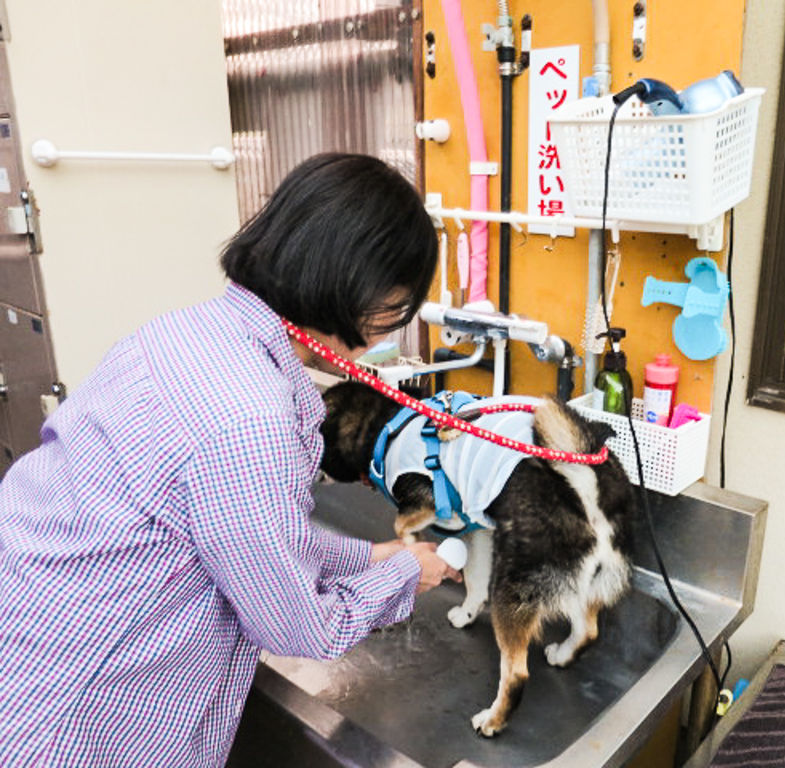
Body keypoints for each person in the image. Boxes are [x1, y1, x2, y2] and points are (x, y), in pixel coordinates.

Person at [0, 153, 459, 766]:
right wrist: (409, 575)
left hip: (30, 643)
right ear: (361, 283)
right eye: (397, 299)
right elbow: (302, 628)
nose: (389, 323)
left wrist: (372, 554)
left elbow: (238, 536)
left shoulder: (184, 332)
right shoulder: (250, 416)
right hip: (80, 715)